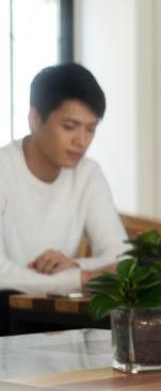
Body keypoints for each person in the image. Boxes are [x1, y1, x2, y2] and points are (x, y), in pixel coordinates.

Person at [0, 63, 127, 295]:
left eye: (90, 129)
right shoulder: (4, 168)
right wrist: (77, 279)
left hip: (55, 311)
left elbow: (121, 257)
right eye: (70, 127)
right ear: (35, 118)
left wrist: (76, 267)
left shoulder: (88, 173)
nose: (81, 141)